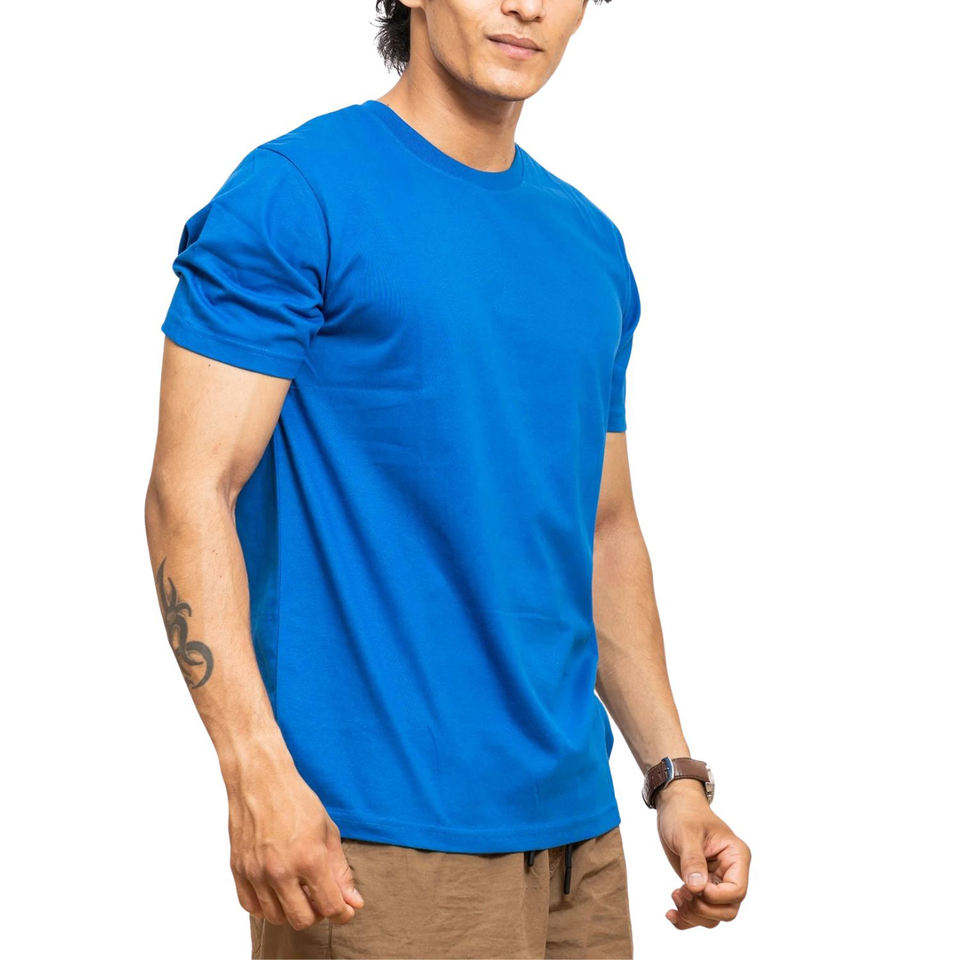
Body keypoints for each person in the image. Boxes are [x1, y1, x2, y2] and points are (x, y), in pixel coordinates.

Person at [144, 1, 752, 957]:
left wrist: (674, 777)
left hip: (578, 840)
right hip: (377, 841)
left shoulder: (588, 244)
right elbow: (191, 489)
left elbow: (601, 531)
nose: (527, 5)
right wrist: (254, 772)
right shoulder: (296, 194)